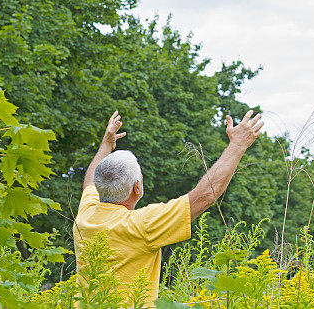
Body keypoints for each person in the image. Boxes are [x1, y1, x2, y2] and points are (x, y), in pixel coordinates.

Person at [72, 109, 264, 307]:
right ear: (137, 187)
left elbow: (89, 182)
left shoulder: (85, 215)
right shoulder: (142, 225)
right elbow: (205, 195)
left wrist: (105, 145)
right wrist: (238, 144)